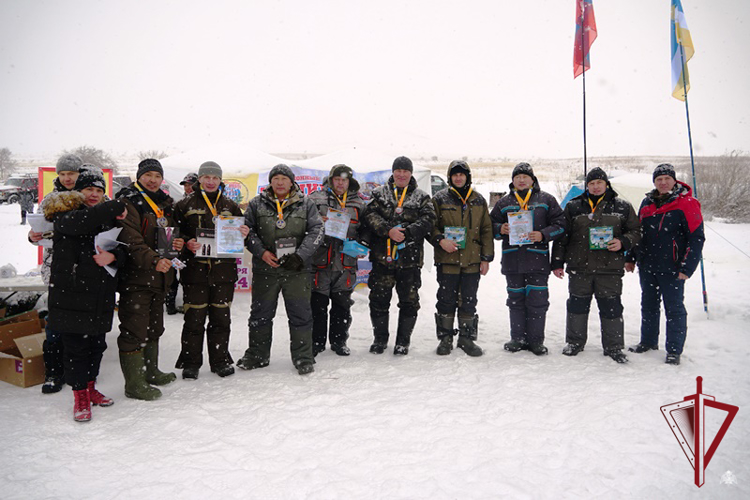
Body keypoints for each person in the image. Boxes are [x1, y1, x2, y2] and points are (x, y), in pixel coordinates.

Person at [42, 165, 128, 421]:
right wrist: (113, 205)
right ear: (78, 191)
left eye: (99, 190)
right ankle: (79, 395)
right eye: (88, 189)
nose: (94, 194)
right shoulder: (66, 213)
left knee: (97, 346)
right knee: (76, 347)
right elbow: (80, 224)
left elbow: (123, 248)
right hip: (72, 292)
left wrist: (114, 256)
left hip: (100, 293)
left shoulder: (107, 217)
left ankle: (91, 389)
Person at [237, 164, 323, 375]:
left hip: (297, 270)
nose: (280, 182)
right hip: (266, 269)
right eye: (276, 178)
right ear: (271, 181)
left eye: (284, 178)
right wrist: (261, 252)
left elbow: (317, 230)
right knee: (260, 314)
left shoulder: (306, 204)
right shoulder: (257, 204)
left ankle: (303, 357)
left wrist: (300, 256)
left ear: (291, 181)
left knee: (301, 315)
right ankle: (257, 355)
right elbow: (247, 232)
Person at [551, 167, 640, 363]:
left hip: (609, 268)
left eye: (599, 183)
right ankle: (575, 342)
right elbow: (562, 237)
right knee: (577, 306)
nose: (595, 187)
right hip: (579, 267)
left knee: (611, 308)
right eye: (591, 183)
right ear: (587, 186)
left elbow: (636, 231)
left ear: (606, 184)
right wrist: (557, 262)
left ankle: (614, 346)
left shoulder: (622, 206)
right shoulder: (574, 207)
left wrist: (623, 242)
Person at [116, 158, 185, 399]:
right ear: (139, 177)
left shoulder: (165, 203)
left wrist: (178, 242)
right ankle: (134, 383)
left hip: (160, 278)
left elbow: (171, 232)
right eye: (148, 175)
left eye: (157, 175)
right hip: (137, 277)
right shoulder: (127, 202)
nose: (153, 180)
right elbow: (130, 239)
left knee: (154, 327)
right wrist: (154, 259)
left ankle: (151, 371)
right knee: (134, 329)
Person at [173, 162, 249, 379]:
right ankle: (191, 362)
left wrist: (243, 232)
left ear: (220, 180)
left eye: (214, 178)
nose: (210, 181)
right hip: (195, 272)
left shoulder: (231, 206)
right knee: (194, 319)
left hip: (223, 272)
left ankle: (219, 360)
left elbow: (239, 238)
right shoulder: (184, 205)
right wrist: (187, 242)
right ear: (199, 179)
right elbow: (175, 234)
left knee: (221, 319)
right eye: (206, 177)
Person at [626, 163, 705, 365]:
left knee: (674, 309)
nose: (662, 182)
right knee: (649, 306)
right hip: (648, 266)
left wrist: (687, 268)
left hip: (673, 268)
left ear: (674, 180)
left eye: (666, 179)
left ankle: (674, 350)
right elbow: (639, 234)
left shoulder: (687, 203)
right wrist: (632, 258)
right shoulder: (647, 203)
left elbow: (696, 238)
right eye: (658, 179)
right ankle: (648, 341)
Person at [362, 156, 436, 355]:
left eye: (405, 171)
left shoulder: (421, 197)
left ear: (411, 174)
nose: (402, 174)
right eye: (398, 170)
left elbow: (429, 219)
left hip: (409, 261)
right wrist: (388, 230)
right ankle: (380, 339)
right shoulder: (379, 193)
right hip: (382, 260)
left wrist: (408, 232)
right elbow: (369, 215)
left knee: (409, 302)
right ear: (393, 172)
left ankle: (403, 341)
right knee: (378, 300)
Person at [490, 162, 565, 356]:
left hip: (537, 261)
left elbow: (562, 224)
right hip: (512, 261)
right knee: (515, 300)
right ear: (513, 181)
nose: (521, 180)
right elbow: (489, 225)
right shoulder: (504, 203)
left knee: (538, 301)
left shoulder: (546, 200)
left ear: (533, 179)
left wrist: (543, 234)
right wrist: (500, 229)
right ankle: (518, 338)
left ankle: (536, 340)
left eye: (525, 177)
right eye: (517, 177)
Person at [28, 153, 82, 394]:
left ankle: (77, 370)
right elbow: (38, 229)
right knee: (55, 321)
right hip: (55, 267)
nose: (68, 178)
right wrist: (32, 236)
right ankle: (53, 371)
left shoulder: (90, 197)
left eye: (72, 173)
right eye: (63, 174)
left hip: (83, 268)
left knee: (80, 321)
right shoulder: (49, 199)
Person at [430, 160, 494, 356]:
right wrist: (440, 240)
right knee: (446, 299)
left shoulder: (478, 200)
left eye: (462, 174)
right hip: (447, 258)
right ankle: (445, 338)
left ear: (467, 177)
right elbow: (430, 226)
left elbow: (486, 229)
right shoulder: (440, 199)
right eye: (455, 174)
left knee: (468, 300)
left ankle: (466, 339)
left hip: (472, 260)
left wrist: (486, 258)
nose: (458, 178)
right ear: (450, 177)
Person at [308, 164, 366, 357]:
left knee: (342, 306)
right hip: (320, 261)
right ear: (331, 180)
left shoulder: (358, 203)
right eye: (337, 179)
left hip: (346, 262)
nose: (340, 184)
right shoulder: (315, 199)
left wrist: (362, 245)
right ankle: (316, 342)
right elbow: (303, 225)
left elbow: (366, 230)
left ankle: (339, 341)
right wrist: (318, 222)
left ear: (350, 182)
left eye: (344, 180)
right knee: (318, 305)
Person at [166, 172, 198, 315]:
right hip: (180, 247)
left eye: (191, 184)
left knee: (193, 278)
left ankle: (192, 304)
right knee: (175, 276)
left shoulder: (204, 203)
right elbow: (174, 226)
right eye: (185, 185)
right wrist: (184, 239)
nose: (188, 187)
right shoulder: (178, 203)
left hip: (199, 248)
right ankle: (171, 305)